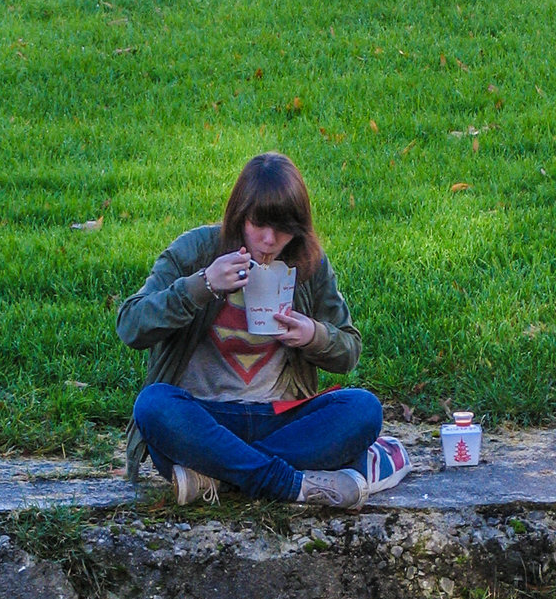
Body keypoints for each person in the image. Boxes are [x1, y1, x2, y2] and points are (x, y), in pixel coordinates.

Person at [118, 152, 410, 508]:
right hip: (205, 417)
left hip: (279, 417)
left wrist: (313, 335)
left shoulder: (309, 264)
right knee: (153, 406)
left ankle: (221, 475)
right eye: (260, 225)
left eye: (283, 229)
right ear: (241, 215)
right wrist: (203, 284)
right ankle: (288, 482)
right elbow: (131, 325)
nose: (270, 240)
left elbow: (349, 349)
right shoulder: (196, 251)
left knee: (364, 409)